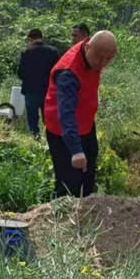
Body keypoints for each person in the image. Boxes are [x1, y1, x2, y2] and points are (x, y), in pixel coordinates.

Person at [43, 31, 117, 198]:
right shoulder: (68, 73)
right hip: (63, 132)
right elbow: (66, 115)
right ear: (89, 47)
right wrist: (75, 150)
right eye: (100, 58)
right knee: (68, 185)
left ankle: (85, 219)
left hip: (86, 126)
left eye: (109, 59)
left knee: (87, 178)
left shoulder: (93, 55)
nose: (103, 63)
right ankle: (61, 220)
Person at [18, 28, 60, 138]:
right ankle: (51, 138)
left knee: (32, 117)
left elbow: (21, 73)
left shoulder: (26, 52)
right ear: (42, 38)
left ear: (30, 39)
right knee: (49, 116)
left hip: (31, 90)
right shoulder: (53, 51)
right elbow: (58, 72)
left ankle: (35, 135)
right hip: (48, 90)